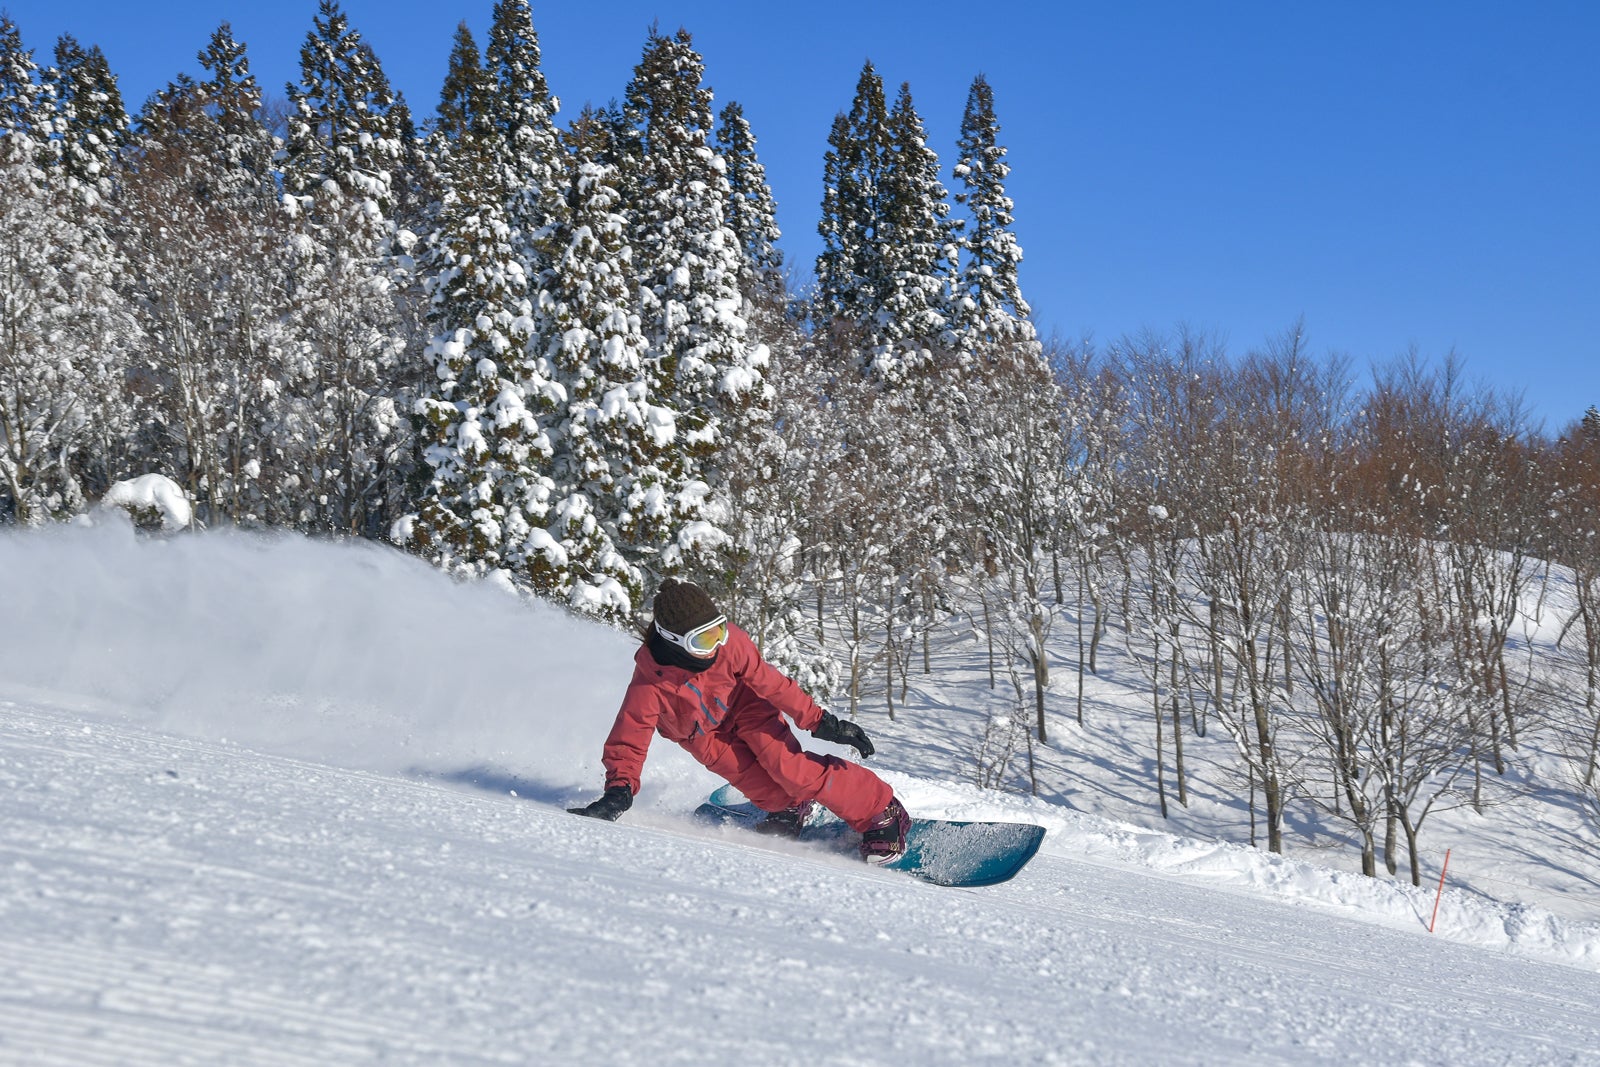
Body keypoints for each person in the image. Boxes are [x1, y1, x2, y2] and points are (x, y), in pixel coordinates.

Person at [568, 578, 911, 863]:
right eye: (704, 639)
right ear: (674, 641)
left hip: (747, 707)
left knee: (790, 767)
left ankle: (882, 810)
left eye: (719, 630)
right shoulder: (650, 683)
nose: (717, 644)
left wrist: (822, 722)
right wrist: (619, 790)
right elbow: (630, 737)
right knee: (762, 787)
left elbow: (772, 684)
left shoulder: (730, 645)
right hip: (701, 736)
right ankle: (789, 808)